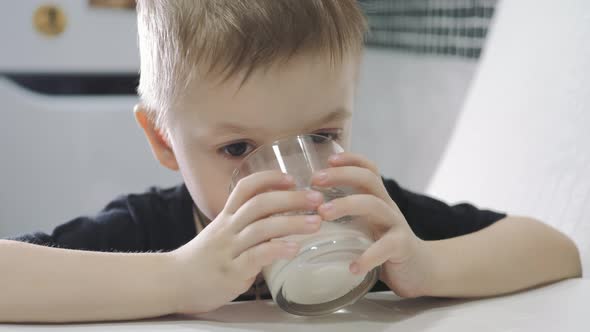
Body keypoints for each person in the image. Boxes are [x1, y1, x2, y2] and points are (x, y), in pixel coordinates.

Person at [0, 0, 581, 323]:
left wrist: (427, 266)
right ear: (163, 141)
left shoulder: (367, 216)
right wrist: (177, 277)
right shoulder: (152, 231)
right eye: (237, 149)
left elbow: (554, 249)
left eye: (322, 133)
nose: (287, 178)